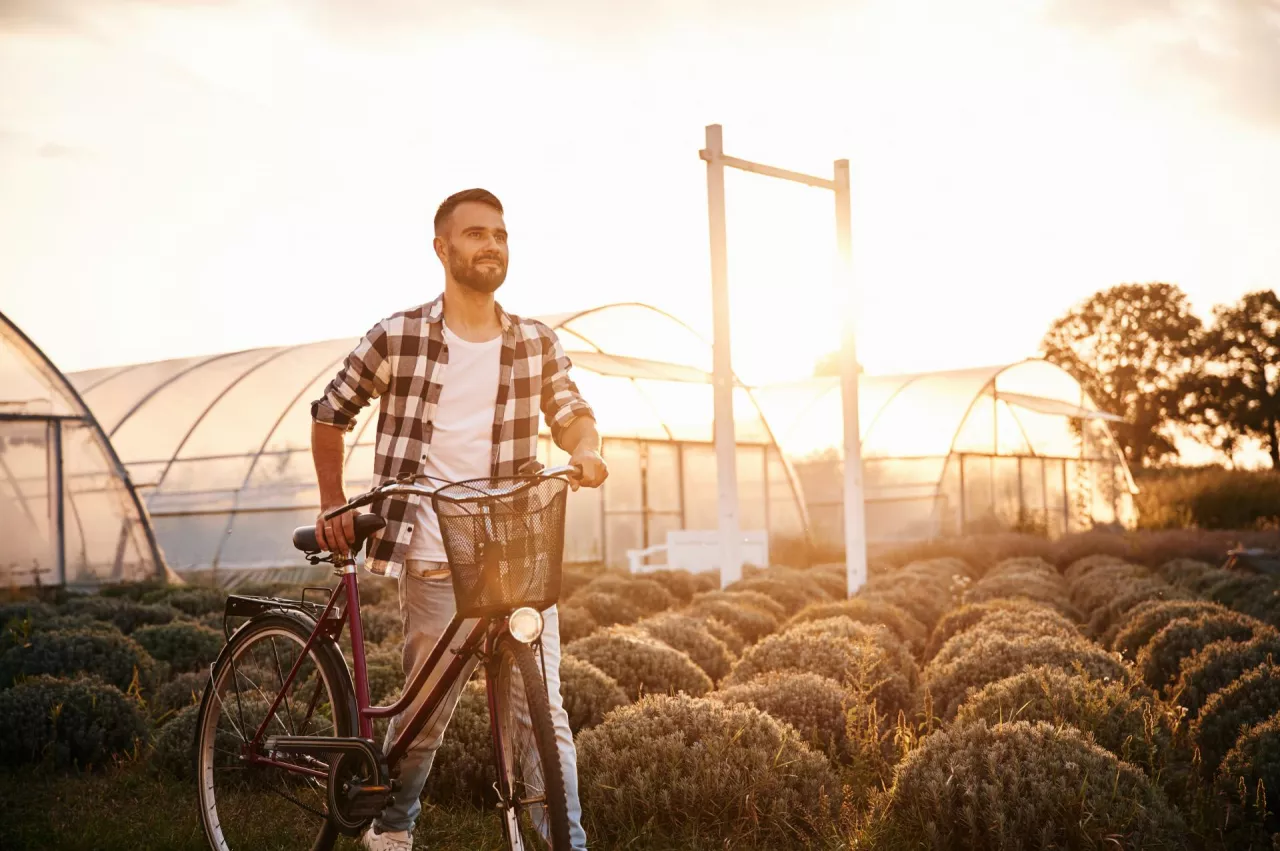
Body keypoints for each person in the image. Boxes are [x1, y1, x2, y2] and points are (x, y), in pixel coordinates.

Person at [309, 187, 607, 851]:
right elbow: (330, 412)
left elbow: (571, 411)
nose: (491, 246)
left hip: (515, 548)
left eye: (499, 234)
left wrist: (586, 449)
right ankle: (391, 826)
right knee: (427, 708)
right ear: (442, 248)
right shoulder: (400, 334)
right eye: (475, 234)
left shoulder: (535, 340)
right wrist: (332, 500)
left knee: (543, 712)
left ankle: (567, 843)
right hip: (431, 549)